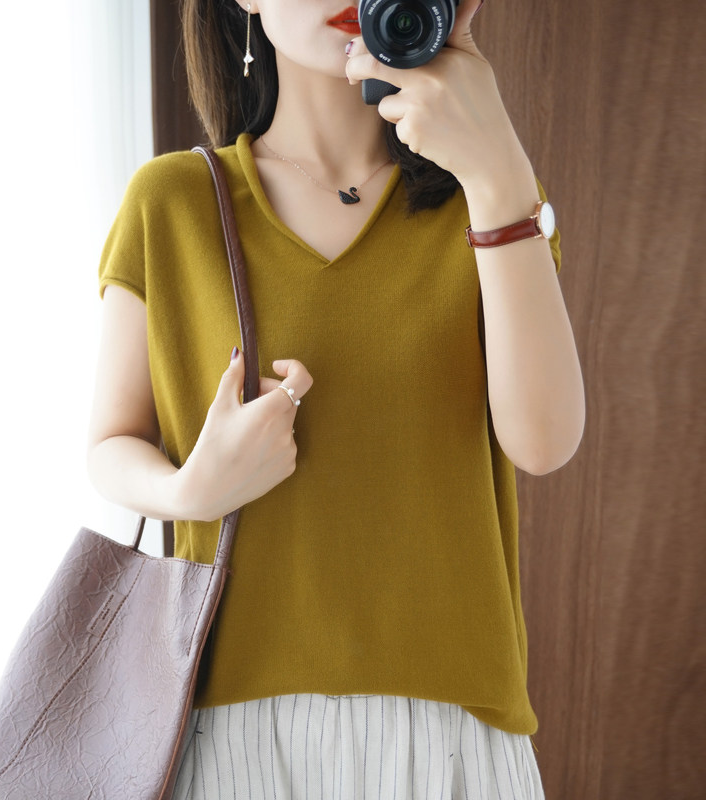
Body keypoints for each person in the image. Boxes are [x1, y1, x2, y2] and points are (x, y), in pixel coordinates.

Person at [87, 0, 585, 797]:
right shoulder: (171, 202)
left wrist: (498, 170)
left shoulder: (487, 203)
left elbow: (545, 441)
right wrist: (190, 491)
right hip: (226, 731)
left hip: (452, 737)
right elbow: (111, 443)